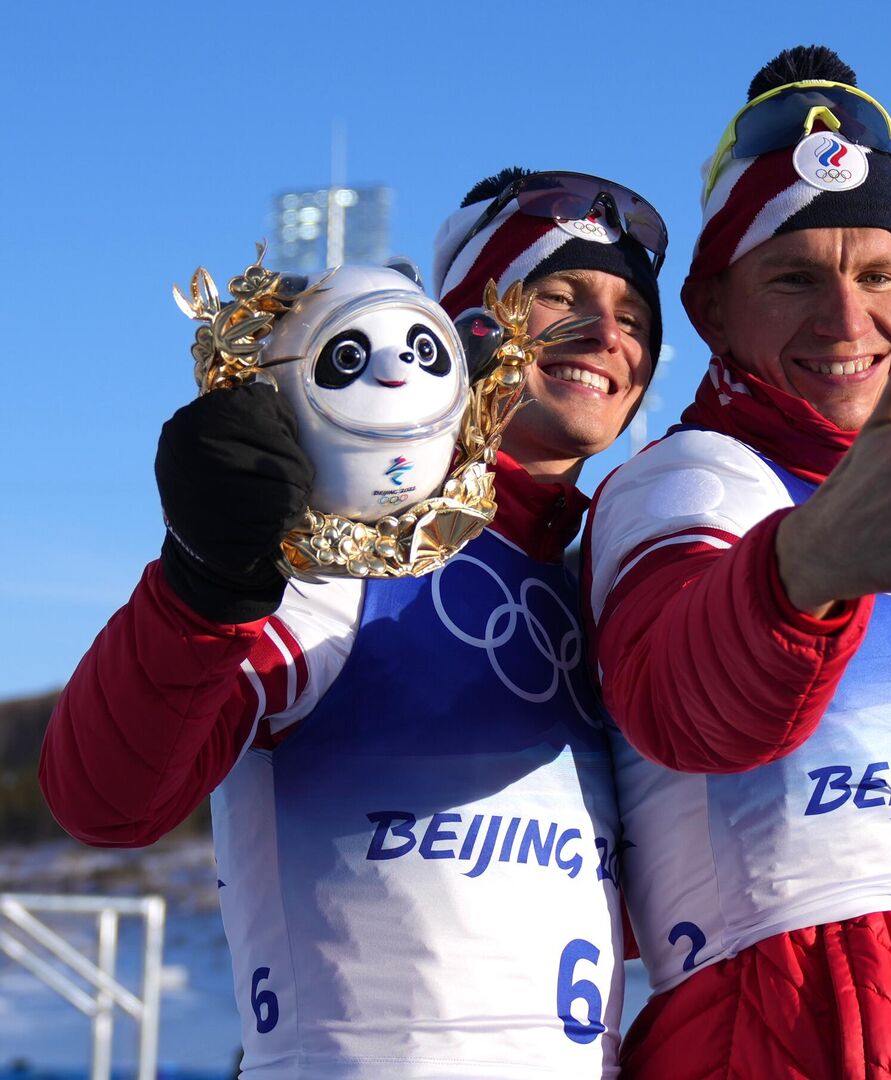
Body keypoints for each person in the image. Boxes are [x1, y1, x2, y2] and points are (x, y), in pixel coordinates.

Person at [39, 167, 669, 1077]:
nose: (607, 334)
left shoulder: (600, 590)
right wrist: (205, 584)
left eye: (636, 319)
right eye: (559, 294)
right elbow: (106, 798)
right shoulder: (342, 552)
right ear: (461, 332)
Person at [583, 46, 891, 1079]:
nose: (848, 320)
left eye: (878, 275)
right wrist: (803, 568)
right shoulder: (692, 482)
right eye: (795, 277)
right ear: (714, 307)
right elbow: (683, 703)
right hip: (791, 1028)